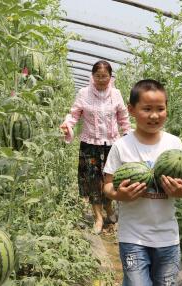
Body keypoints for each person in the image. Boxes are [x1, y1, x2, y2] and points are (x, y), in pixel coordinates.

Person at [103, 79, 182, 286]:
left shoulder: (174, 145)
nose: (154, 115)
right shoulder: (121, 146)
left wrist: (180, 191)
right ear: (131, 110)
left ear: (167, 109)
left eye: (160, 109)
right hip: (133, 237)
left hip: (168, 238)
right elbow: (107, 185)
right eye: (147, 109)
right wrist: (118, 195)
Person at [60, 60, 131, 235]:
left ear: (110, 77)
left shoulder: (116, 94)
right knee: (93, 181)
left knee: (111, 179)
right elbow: (74, 113)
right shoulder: (84, 93)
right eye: (97, 76)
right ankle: (98, 217)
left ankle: (109, 207)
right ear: (92, 76)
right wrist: (67, 124)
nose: (101, 80)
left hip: (112, 145)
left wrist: (128, 134)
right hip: (90, 144)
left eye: (104, 76)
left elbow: (123, 117)